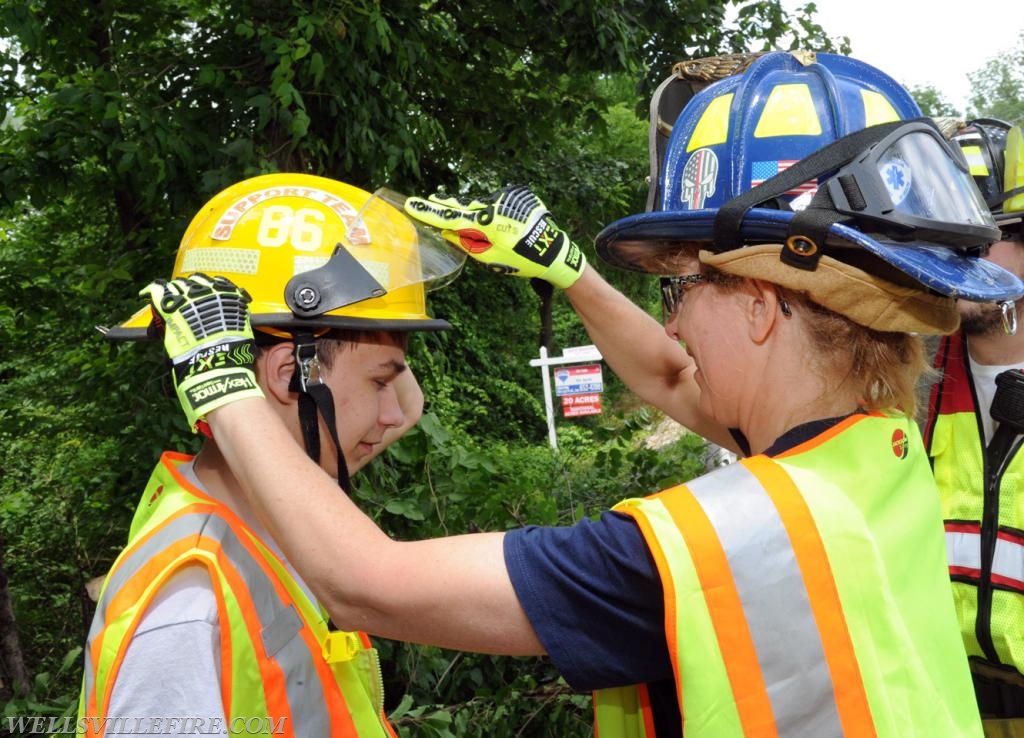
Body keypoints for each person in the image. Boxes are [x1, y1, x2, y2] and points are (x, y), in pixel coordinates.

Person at [145, 53, 1023, 736]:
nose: (671, 327)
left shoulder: (722, 545)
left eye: (678, 292)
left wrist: (223, 386)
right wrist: (568, 273)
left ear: (759, 305)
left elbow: (364, 582)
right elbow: (678, 380)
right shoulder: (882, 447)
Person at [76, 174, 465, 737]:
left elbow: (403, 405)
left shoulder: (274, 510)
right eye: (382, 382)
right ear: (289, 376)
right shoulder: (187, 613)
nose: (393, 416)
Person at [924, 118, 1024, 732]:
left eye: (982, 238)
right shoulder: (909, 386)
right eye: (944, 241)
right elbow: (683, 384)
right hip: (948, 707)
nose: (961, 261)